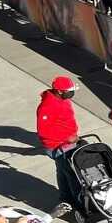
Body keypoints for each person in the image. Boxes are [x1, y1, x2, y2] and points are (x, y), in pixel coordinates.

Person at [35, 76, 82, 210]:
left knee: (63, 171)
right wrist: (68, 138)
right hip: (58, 146)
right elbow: (44, 131)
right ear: (59, 91)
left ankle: (65, 197)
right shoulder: (47, 106)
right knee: (71, 174)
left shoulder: (63, 99)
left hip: (68, 141)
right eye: (69, 90)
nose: (72, 93)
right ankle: (76, 201)